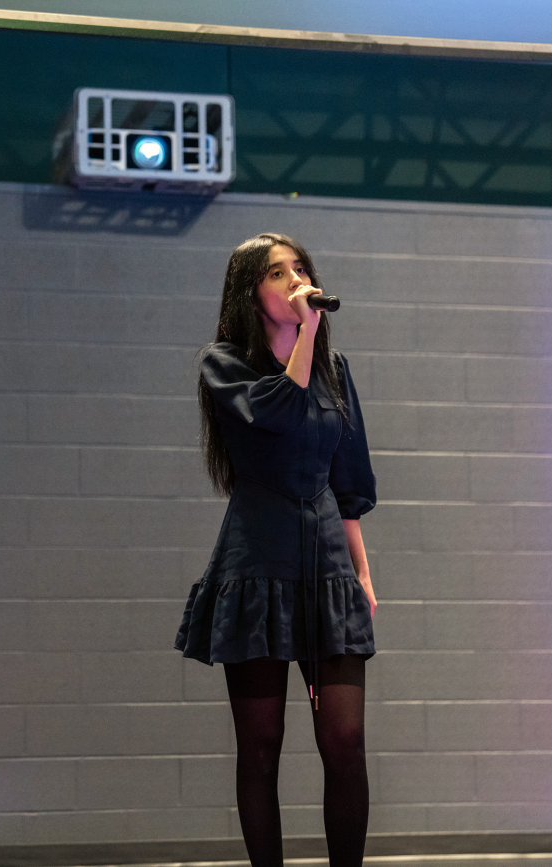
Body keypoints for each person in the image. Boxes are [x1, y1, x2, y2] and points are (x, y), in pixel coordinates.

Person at [175, 233, 378, 867]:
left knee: (344, 741)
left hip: (327, 564)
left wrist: (363, 573)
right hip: (257, 564)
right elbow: (280, 412)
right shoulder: (225, 365)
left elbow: (348, 480)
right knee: (261, 748)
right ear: (250, 292)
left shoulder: (335, 369)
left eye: (301, 269)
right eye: (277, 273)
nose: (295, 281)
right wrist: (308, 334)